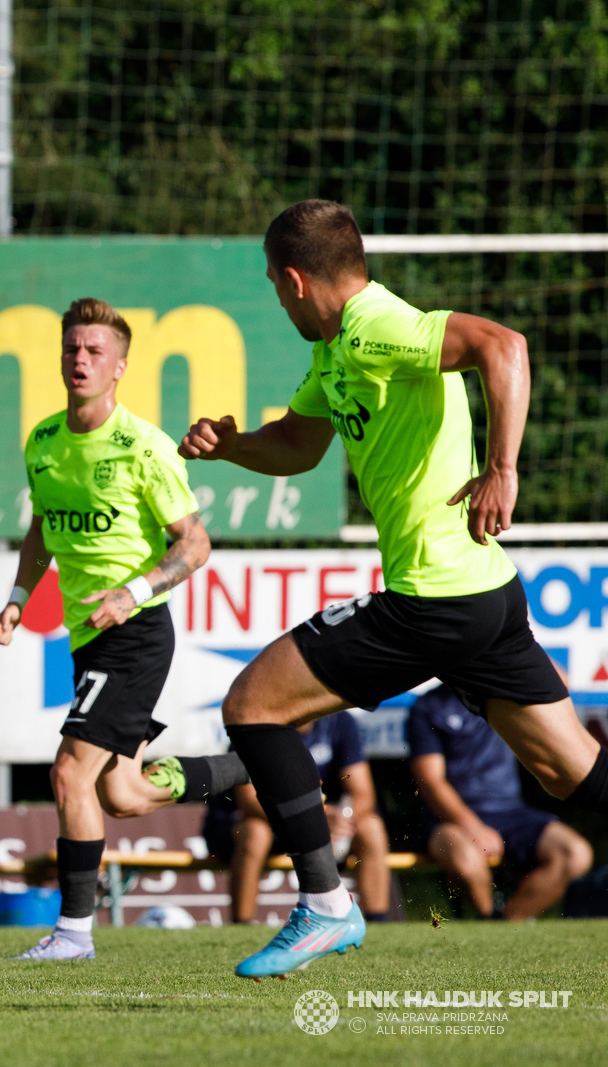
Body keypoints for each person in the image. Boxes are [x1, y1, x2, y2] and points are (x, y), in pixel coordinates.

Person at [179, 199, 607, 980]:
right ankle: (325, 904)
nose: (278, 300)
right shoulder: (337, 348)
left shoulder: (380, 325)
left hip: (434, 599)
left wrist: (504, 469)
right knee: (569, 771)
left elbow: (503, 346)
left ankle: (325, 904)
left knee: (252, 705)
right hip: (484, 596)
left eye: (277, 285)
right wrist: (233, 446)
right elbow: (300, 444)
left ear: (298, 279)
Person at [0, 297, 243, 961]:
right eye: (73, 348)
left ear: (119, 367)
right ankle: (253, 768)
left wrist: (132, 593)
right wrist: (18, 597)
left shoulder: (145, 447)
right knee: (122, 792)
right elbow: (44, 527)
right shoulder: (43, 441)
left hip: (136, 633)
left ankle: (73, 933)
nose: (80, 359)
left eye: (95, 351)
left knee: (70, 774)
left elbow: (194, 544)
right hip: (86, 635)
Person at [409, 685, 593, 919]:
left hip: (510, 811)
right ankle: (487, 921)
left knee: (575, 853)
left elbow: (558, 681)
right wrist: (474, 827)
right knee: (467, 861)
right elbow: (431, 782)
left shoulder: (505, 690)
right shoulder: (429, 706)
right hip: (448, 819)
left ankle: (504, 927)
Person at [203, 711, 390, 925]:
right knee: (256, 832)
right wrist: (314, 818)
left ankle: (378, 925)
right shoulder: (255, 720)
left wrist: (342, 818)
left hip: (318, 823)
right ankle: (241, 927)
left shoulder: (340, 721)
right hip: (255, 822)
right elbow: (250, 802)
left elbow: (363, 794)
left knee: (371, 828)